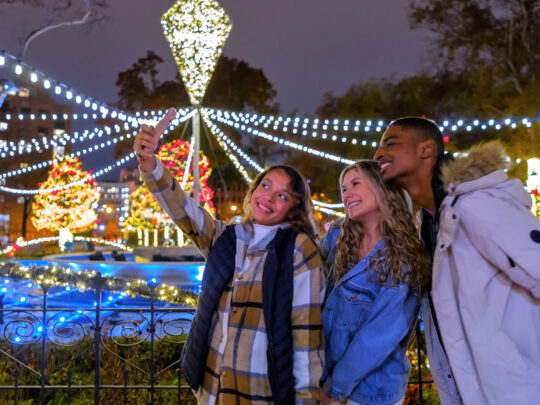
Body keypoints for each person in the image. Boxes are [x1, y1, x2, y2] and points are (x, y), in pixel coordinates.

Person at [134, 119, 325, 404]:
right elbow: (182, 209)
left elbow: (306, 331)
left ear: (293, 208)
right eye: (265, 185)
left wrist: (306, 398)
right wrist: (149, 162)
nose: (268, 197)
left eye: (282, 196)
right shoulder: (227, 237)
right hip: (212, 389)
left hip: (261, 392)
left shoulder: (298, 249)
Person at [374, 117, 540, 405]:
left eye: (390, 144)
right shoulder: (429, 221)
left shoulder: (476, 205)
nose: (377, 154)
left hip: (518, 388)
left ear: (426, 150)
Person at [320, 160, 430, 405]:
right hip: (326, 377)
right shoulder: (337, 237)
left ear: (382, 188)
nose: (346, 193)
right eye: (343, 188)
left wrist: (333, 391)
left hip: (372, 392)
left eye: (355, 183)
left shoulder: (402, 257)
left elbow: (377, 338)